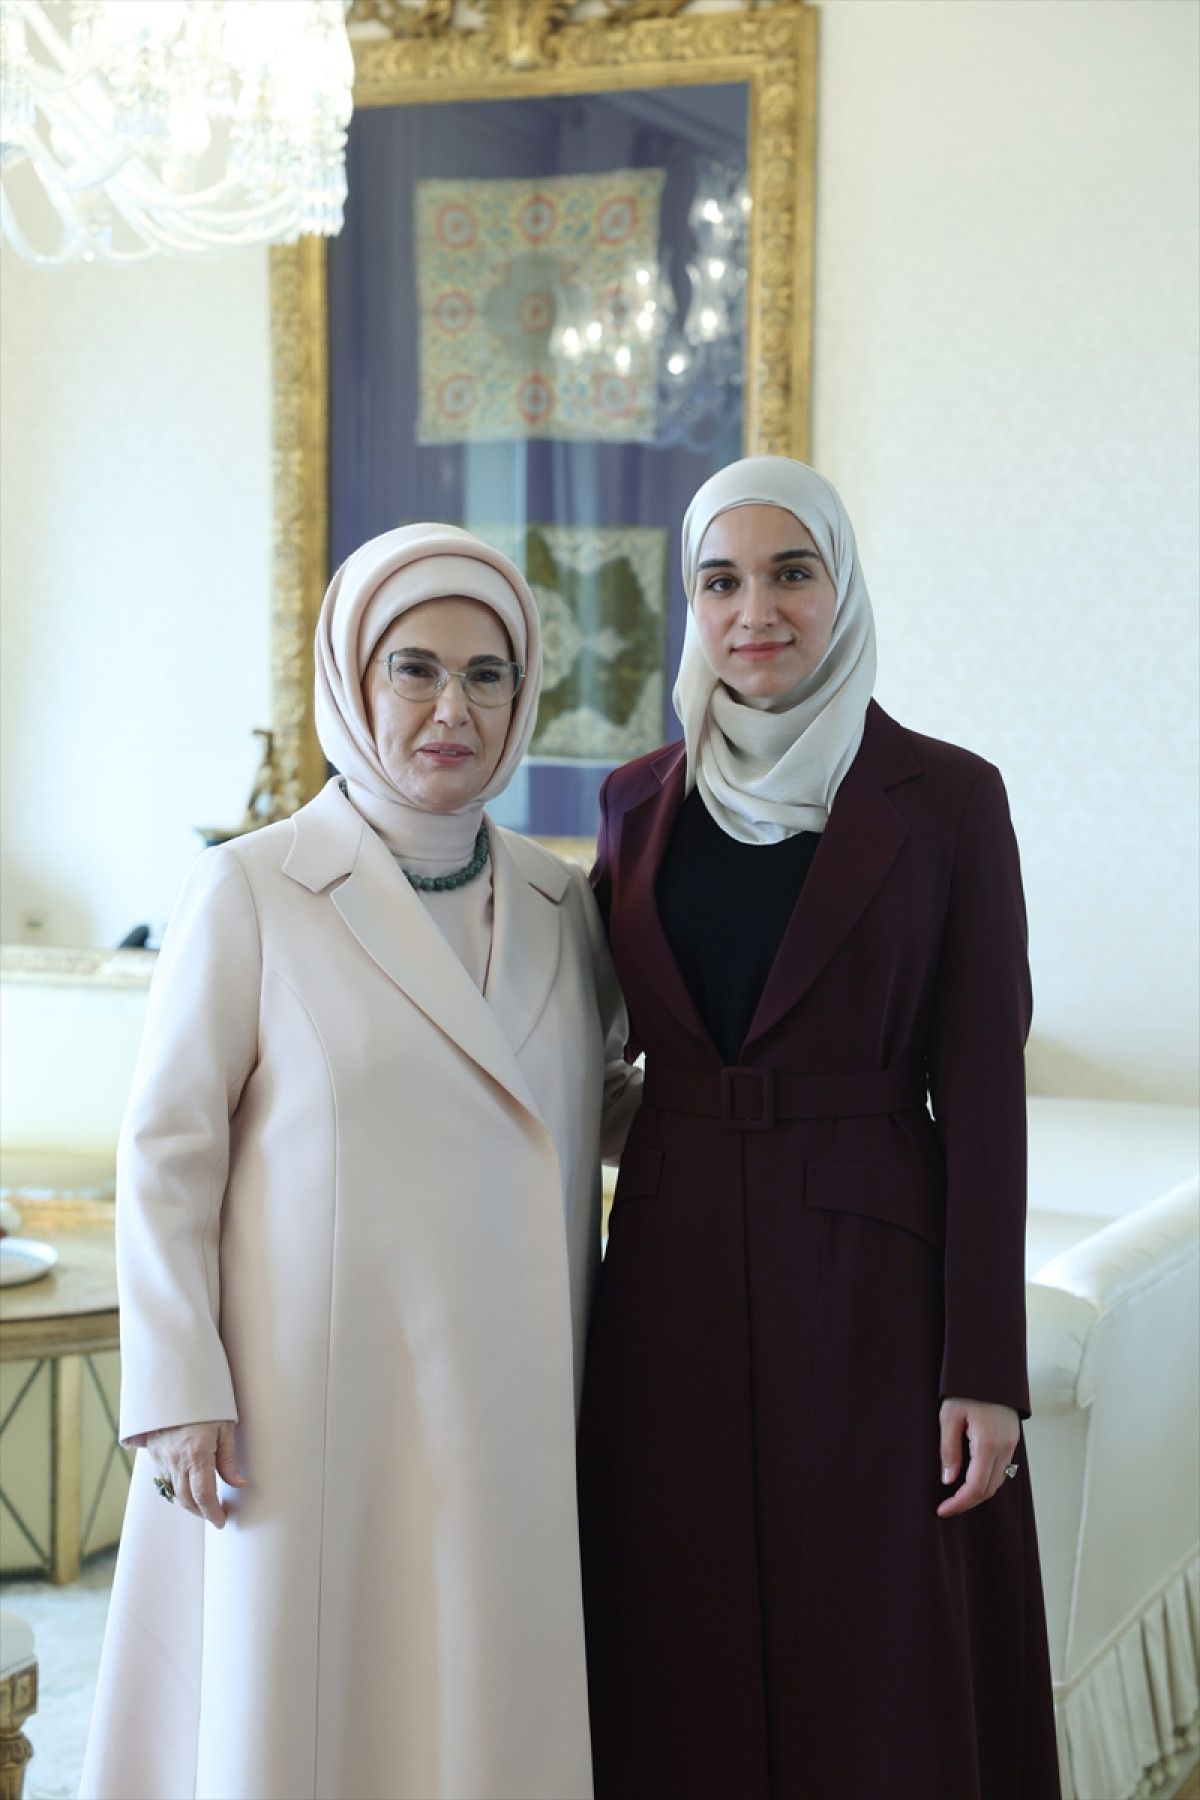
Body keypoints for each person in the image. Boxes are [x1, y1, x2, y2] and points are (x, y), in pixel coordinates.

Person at [80, 523, 640, 1800]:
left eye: (487, 674)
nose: (454, 709)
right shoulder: (252, 889)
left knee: (485, 1701)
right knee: (314, 1709)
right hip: (307, 1399)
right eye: (415, 669)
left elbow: (595, 1101)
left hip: (515, 1395)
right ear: (351, 677)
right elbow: (168, 1152)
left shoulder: (564, 904)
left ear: (524, 694)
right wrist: (177, 1385)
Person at [577, 458, 1062, 1800]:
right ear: (689, 604)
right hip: (668, 1274)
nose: (756, 612)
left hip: (875, 1284)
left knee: (882, 1632)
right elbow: (577, 1046)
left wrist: (986, 1367)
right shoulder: (636, 802)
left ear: (839, 586)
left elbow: (985, 1094)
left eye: (790, 572)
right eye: (720, 580)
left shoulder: (947, 799)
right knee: (674, 1616)